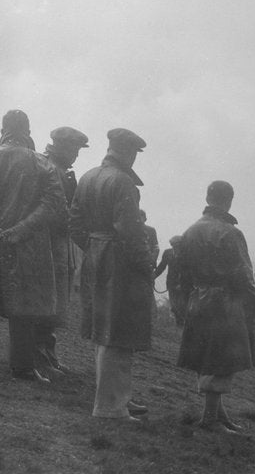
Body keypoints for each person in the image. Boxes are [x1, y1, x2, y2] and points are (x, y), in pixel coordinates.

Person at [69, 127, 153, 420]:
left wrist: (94, 246)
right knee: (118, 333)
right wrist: (146, 265)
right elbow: (130, 231)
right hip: (119, 262)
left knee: (103, 331)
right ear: (128, 152)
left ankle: (116, 399)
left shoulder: (88, 176)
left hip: (94, 255)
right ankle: (110, 407)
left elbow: (74, 223)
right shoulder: (124, 182)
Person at [174, 180, 255, 434]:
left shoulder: (190, 231)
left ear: (207, 197)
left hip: (197, 300)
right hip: (225, 305)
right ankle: (210, 420)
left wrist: (182, 305)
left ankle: (219, 414)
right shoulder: (230, 233)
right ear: (229, 201)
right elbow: (244, 276)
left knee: (205, 358)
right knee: (221, 361)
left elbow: (181, 275)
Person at [0, 110, 67, 382]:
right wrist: (20, 230)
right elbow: (55, 206)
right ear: (27, 130)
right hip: (26, 245)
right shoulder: (41, 163)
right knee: (23, 307)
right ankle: (23, 366)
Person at [37, 126, 89, 375]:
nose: (76, 155)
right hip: (46, 243)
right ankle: (39, 357)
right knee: (46, 299)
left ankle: (47, 354)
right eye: (73, 149)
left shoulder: (61, 171)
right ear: (59, 146)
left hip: (59, 244)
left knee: (55, 299)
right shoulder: (47, 168)